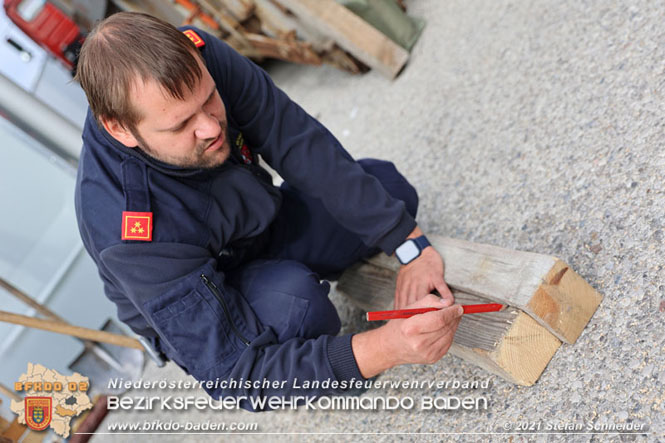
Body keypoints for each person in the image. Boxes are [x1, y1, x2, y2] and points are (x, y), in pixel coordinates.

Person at [73, 12, 462, 409]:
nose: (209, 126)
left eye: (210, 99)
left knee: (386, 189)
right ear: (120, 128)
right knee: (296, 305)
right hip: (211, 293)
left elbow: (298, 143)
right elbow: (239, 378)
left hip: (259, 228)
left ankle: (303, 298)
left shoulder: (194, 58)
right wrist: (387, 347)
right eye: (182, 125)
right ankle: (323, 360)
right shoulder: (129, 232)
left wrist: (412, 248)